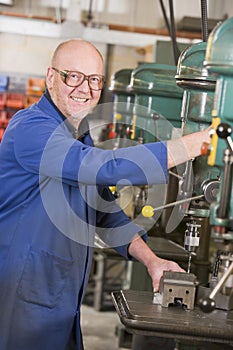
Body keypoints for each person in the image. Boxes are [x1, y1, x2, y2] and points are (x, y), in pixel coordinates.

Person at [0, 39, 211, 350]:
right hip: (21, 298)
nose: (84, 88)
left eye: (94, 79)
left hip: (59, 299)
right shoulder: (31, 129)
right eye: (73, 76)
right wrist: (194, 145)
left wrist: (151, 261)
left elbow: (104, 213)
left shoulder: (77, 135)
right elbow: (104, 167)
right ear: (50, 77)